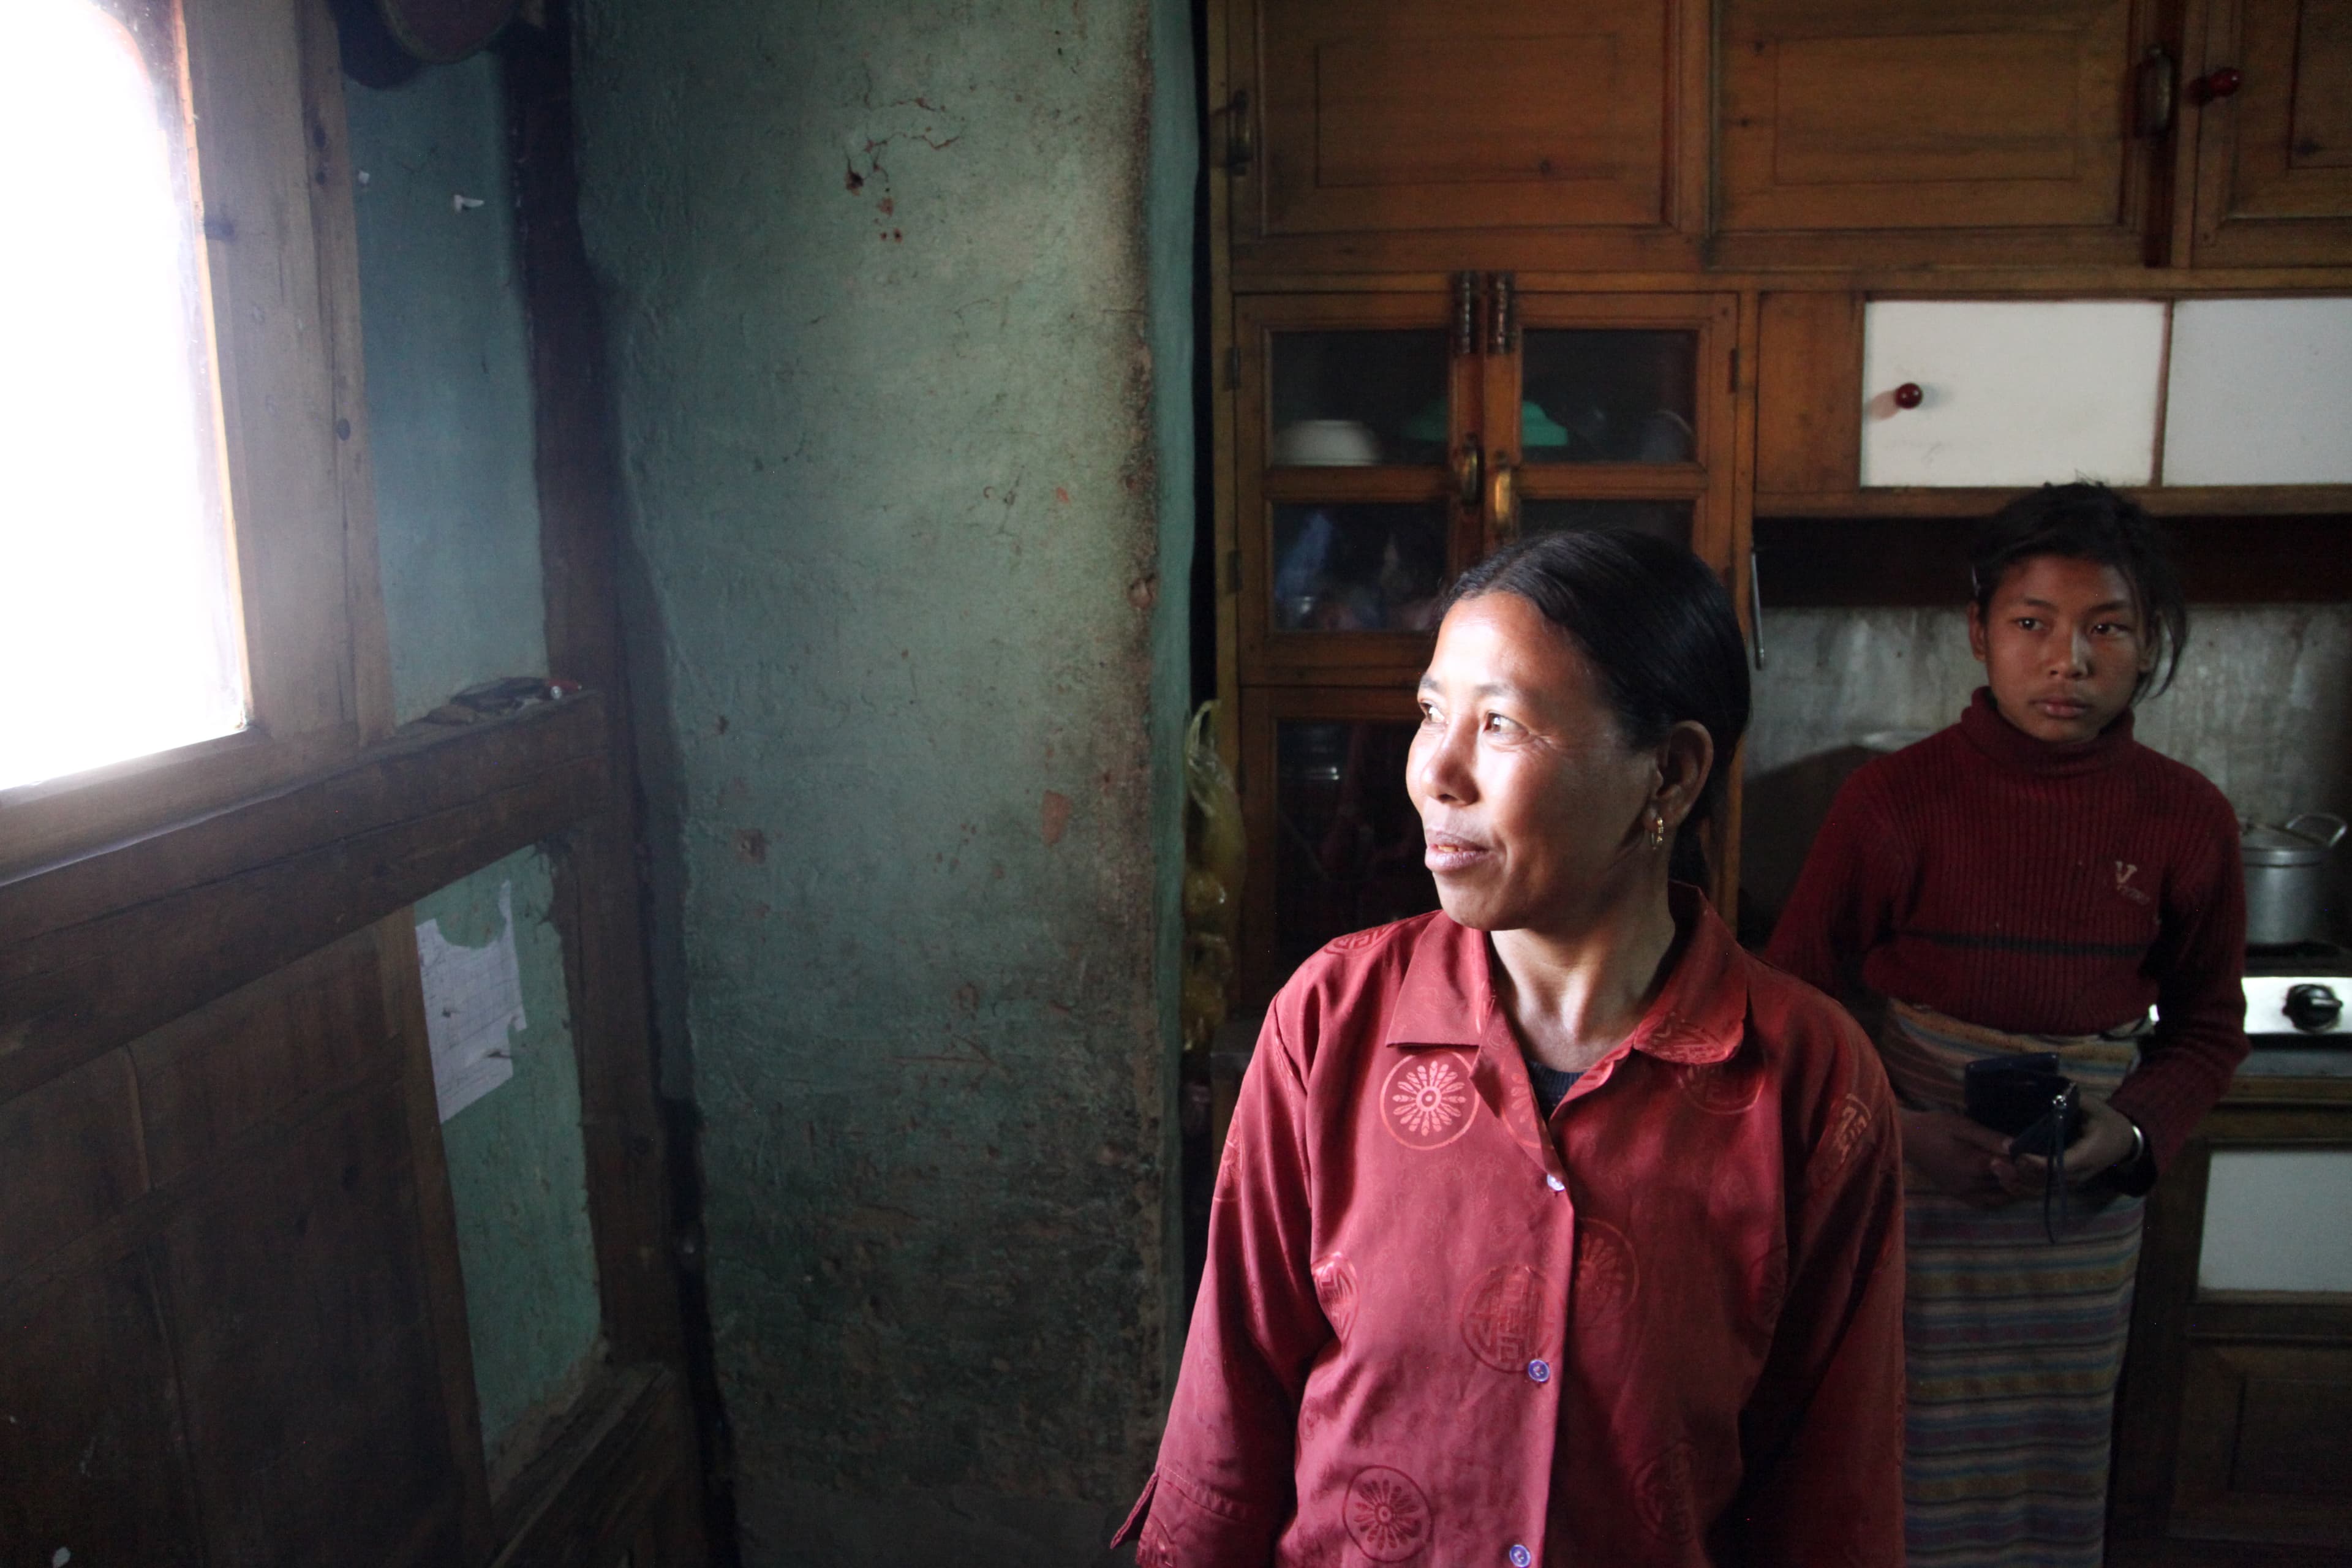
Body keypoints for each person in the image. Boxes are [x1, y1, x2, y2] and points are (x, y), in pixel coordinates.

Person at [1118, 530, 1907, 1566]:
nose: (1436, 774)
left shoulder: (1807, 1081)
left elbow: (1831, 1488)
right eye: (1431, 715)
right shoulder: (1332, 1022)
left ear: (1668, 773)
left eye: (1501, 725)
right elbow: (1231, 1416)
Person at [1765, 483, 2248, 1568]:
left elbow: (2210, 1028)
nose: (2068, 660)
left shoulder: (2187, 818)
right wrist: (1900, 1131)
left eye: (2107, 628)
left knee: (2050, 1469)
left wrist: (2122, 1136)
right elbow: (1785, 1006)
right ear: (1980, 633)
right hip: (1908, 1194)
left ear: (2147, 641)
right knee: (1887, 1455)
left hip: (2076, 1229)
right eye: (2033, 624)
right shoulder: (1893, 801)